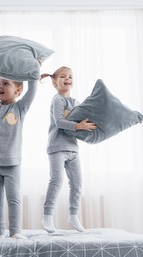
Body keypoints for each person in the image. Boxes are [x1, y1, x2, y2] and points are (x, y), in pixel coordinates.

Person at [0, 72, 38, 239]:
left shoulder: (20, 108)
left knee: (14, 199)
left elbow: (33, 88)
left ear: (18, 91)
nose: (0, 87)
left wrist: (34, 69)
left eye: (5, 84)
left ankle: (15, 232)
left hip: (12, 164)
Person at [40, 66, 96, 233]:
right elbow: (59, 122)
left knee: (77, 183)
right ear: (54, 83)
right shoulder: (57, 100)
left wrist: (85, 126)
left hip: (73, 148)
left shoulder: (76, 102)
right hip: (57, 146)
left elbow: (82, 124)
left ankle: (73, 215)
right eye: (63, 76)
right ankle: (47, 216)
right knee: (57, 180)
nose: (67, 79)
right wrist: (78, 125)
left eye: (70, 76)